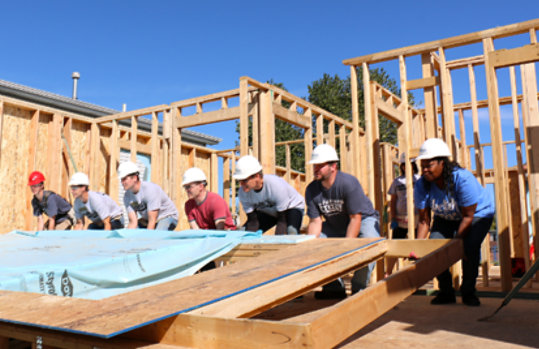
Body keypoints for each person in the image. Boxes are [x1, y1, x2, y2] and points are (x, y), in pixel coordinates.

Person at [414, 138, 495, 306]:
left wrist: (458, 243)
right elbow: (423, 220)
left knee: (469, 248)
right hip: (446, 217)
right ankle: (446, 292)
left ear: (442, 163)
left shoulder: (462, 179)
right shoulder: (422, 184)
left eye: (429, 165)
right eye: (422, 166)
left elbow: (468, 216)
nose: (425, 170)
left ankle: (468, 292)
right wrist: (418, 247)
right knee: (433, 249)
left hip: (478, 215)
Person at [305, 144, 380, 299]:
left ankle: (359, 287)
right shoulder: (312, 190)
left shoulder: (348, 183)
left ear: (333, 166)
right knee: (316, 243)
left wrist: (347, 250)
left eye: (320, 165)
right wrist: (310, 246)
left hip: (363, 219)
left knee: (370, 242)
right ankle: (334, 287)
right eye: (315, 165)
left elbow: (355, 218)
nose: (316, 168)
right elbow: (315, 222)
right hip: (335, 224)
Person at [233, 155, 304, 235]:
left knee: (291, 233)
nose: (241, 184)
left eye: (244, 180)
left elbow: (282, 221)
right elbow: (253, 222)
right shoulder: (243, 193)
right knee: (243, 234)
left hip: (291, 207)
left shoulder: (275, 185)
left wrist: (280, 241)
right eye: (239, 180)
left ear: (257, 176)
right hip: (270, 211)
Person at [386, 152, 421, 275]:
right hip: (400, 219)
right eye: (404, 165)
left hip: (416, 217)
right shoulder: (397, 181)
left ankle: (417, 274)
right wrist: (393, 217)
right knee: (395, 247)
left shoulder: (419, 179)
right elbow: (394, 200)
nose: (406, 167)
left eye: (409, 164)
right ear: (401, 166)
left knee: (417, 248)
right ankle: (388, 273)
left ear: (413, 165)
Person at [118, 161, 179, 230]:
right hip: (148, 219)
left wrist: (148, 239)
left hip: (167, 216)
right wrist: (127, 239)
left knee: (157, 236)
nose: (122, 182)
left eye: (124, 179)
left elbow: (152, 221)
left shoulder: (150, 190)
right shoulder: (127, 197)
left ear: (135, 178)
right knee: (133, 233)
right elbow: (133, 223)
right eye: (121, 179)